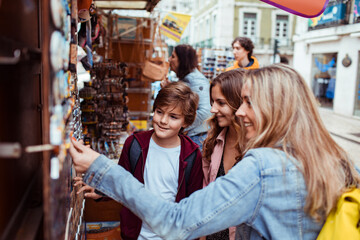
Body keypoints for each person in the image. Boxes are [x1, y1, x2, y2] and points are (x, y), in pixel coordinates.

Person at [70, 64, 360, 239]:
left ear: (276, 108)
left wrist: (100, 167)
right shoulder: (338, 160)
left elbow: (176, 222)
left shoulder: (263, 167)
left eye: (248, 102)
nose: (241, 111)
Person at [75, 81, 204, 240]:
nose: (163, 120)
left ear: (186, 121)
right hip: (136, 234)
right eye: (159, 112)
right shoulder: (135, 144)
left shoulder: (192, 154)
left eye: (173, 117)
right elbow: (121, 180)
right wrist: (101, 189)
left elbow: (193, 206)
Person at [202, 69, 245, 240]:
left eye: (221, 103)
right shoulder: (213, 142)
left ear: (239, 102)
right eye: (213, 102)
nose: (213, 109)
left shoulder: (257, 149)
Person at [161, 44, 211, 150]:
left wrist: (183, 124)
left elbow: (206, 112)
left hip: (196, 138)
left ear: (182, 60)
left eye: (173, 56)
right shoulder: (187, 78)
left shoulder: (196, 80)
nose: (170, 59)